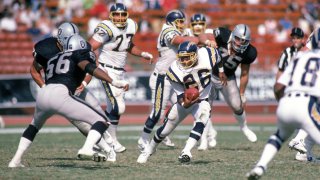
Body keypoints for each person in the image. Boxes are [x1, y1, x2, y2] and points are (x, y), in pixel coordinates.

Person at [8, 34, 129, 168]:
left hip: (43, 93)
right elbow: (90, 68)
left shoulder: (53, 57)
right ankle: (88, 148)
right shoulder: (77, 55)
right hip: (61, 94)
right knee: (102, 120)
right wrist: (113, 81)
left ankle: (15, 160)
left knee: (33, 127)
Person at [29, 22, 116, 162]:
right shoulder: (46, 48)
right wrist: (45, 87)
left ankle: (107, 140)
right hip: (61, 93)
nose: (71, 42)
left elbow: (90, 68)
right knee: (81, 123)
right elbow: (34, 70)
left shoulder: (80, 45)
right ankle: (106, 148)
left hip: (76, 86)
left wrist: (83, 83)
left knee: (96, 108)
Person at [246, 28, 320, 179]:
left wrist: (281, 102)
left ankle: (260, 166)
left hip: (287, 102)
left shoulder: (299, 57)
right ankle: (299, 141)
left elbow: (278, 86)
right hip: (306, 105)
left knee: (278, 136)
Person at [137, 41, 226, 164]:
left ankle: (186, 151)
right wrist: (187, 102)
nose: (183, 61)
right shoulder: (174, 70)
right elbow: (179, 96)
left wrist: (221, 71)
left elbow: (218, 56)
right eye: (181, 58)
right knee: (165, 131)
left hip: (202, 99)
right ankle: (148, 150)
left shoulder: (207, 55)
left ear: (195, 55)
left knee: (203, 118)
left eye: (187, 58)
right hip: (186, 99)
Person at [88, 3, 153, 153]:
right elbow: (90, 47)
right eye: (116, 14)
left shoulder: (131, 25)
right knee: (119, 107)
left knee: (113, 109)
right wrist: (95, 64)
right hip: (106, 70)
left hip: (120, 71)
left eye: (123, 14)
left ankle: (104, 139)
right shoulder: (106, 27)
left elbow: (127, 45)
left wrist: (142, 53)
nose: (120, 17)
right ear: (111, 16)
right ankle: (109, 139)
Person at [137, 10, 200, 152]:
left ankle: (163, 133)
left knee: (180, 106)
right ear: (172, 22)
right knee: (158, 111)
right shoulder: (167, 31)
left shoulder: (177, 31)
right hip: (162, 77)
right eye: (179, 22)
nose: (182, 25)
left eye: (183, 22)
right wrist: (196, 39)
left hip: (173, 77)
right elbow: (178, 41)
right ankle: (143, 138)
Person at [199, 24, 258, 143]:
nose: (240, 43)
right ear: (233, 36)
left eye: (244, 41)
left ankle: (244, 127)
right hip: (208, 74)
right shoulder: (223, 34)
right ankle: (204, 139)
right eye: (238, 39)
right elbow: (202, 35)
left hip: (227, 77)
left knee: (237, 105)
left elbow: (244, 73)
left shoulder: (249, 52)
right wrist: (208, 41)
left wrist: (242, 93)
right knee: (205, 108)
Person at [184, 13, 218, 151]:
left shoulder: (209, 33)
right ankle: (207, 135)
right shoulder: (186, 33)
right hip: (191, 77)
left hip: (206, 76)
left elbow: (211, 40)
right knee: (198, 109)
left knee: (206, 108)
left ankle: (206, 137)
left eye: (200, 24)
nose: (197, 27)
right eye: (195, 24)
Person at [275, 27, 309, 161]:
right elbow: (278, 79)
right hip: (294, 93)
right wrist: (280, 99)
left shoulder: (309, 52)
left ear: (303, 39)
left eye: (298, 37)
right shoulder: (287, 53)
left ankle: (303, 152)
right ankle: (298, 140)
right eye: (293, 37)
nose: (295, 40)